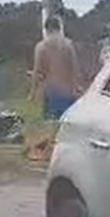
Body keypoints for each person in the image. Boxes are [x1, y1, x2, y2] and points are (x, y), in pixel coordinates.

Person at [27, 14, 82, 160]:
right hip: (68, 91)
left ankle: (51, 153)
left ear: (46, 29)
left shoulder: (41, 47)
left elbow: (37, 72)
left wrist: (32, 93)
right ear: (59, 27)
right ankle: (66, 153)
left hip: (51, 91)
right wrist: (77, 87)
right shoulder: (68, 44)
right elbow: (75, 68)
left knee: (52, 124)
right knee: (67, 125)